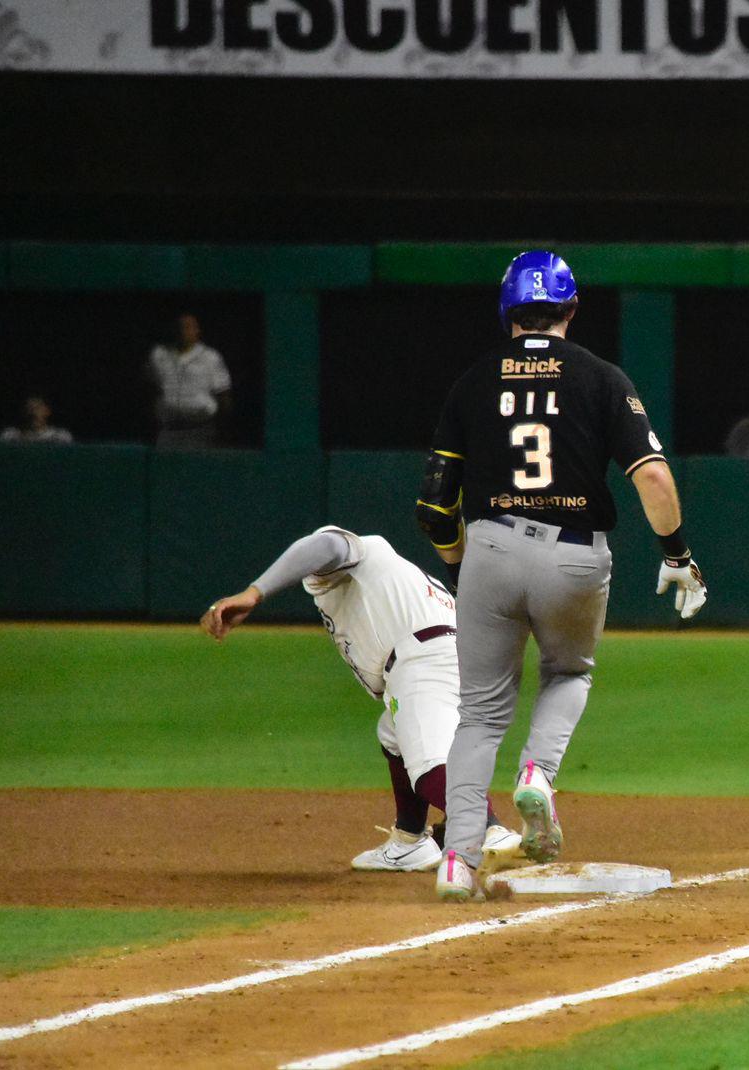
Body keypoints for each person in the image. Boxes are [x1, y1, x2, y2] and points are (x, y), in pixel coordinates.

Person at [416, 250, 707, 902]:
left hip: (490, 547)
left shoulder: (471, 382)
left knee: (479, 717)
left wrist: (466, 570)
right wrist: (677, 556)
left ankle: (458, 863)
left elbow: (435, 505)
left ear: (506, 313)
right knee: (568, 673)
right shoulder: (602, 378)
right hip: (574, 555)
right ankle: (538, 778)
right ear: (572, 310)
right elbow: (654, 476)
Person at [199, 525, 524, 874]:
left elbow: (325, 544)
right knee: (394, 734)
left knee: (428, 765)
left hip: (425, 658)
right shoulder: (397, 582)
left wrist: (253, 593)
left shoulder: (364, 552)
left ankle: (486, 828)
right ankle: (409, 841)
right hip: (460, 657)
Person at [148, 313, 232, 449]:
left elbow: (224, 395)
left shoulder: (210, 357)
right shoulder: (159, 354)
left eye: (188, 327)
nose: (183, 331)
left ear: (197, 330)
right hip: (168, 431)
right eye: (179, 327)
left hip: (199, 431)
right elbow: (150, 388)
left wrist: (223, 431)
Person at [0, 396, 73, 444]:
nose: (33, 412)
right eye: (29, 408)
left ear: (47, 411)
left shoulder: (60, 437)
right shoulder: (10, 436)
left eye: (37, 408)